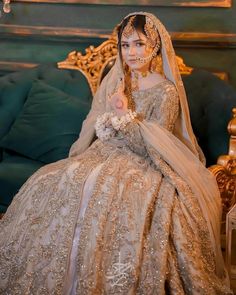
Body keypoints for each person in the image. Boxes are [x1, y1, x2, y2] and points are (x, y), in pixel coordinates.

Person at [0, 12, 233, 295]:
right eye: (125, 45)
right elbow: (100, 127)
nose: (131, 52)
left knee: (116, 189)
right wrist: (109, 122)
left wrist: (123, 115)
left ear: (155, 46)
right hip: (105, 152)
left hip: (144, 160)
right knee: (54, 178)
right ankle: (65, 274)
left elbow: (155, 144)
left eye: (139, 44)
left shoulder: (165, 91)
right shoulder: (118, 81)